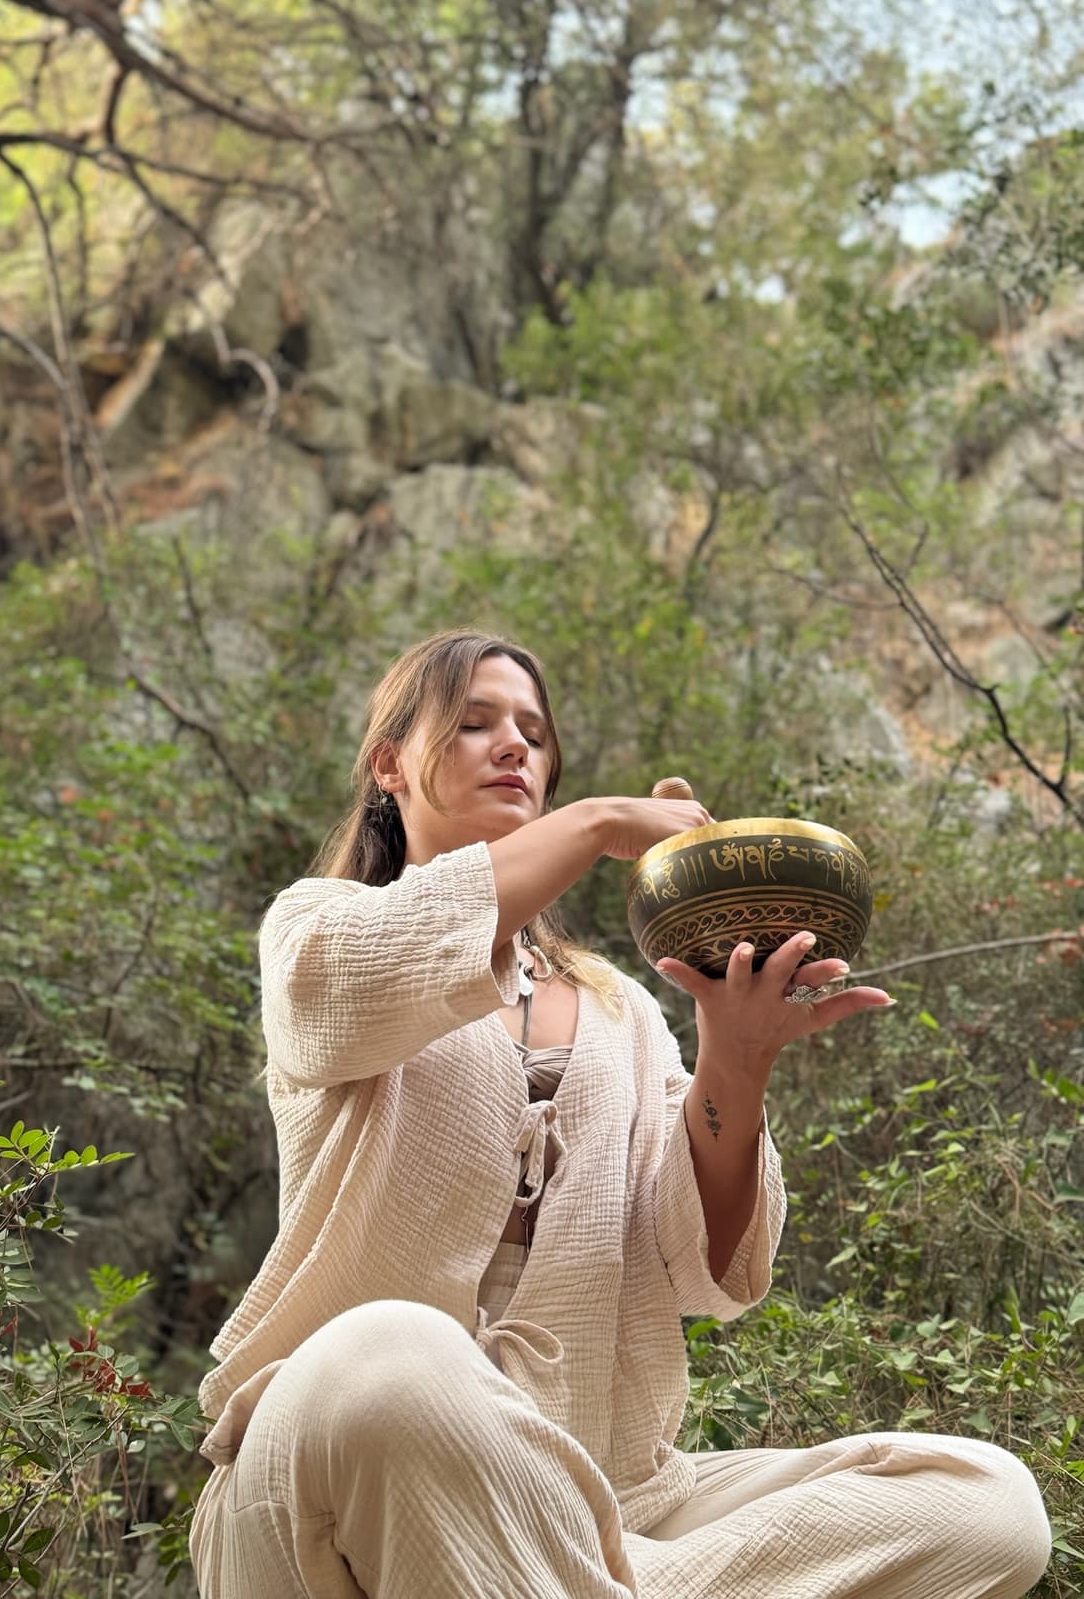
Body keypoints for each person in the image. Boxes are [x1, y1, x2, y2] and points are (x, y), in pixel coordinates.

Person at [188, 629, 1051, 1599]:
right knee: (393, 1351)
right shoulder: (317, 932)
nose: (515, 744)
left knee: (985, 1502)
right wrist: (603, 824)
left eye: (533, 731)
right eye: (474, 723)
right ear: (389, 764)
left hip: (613, 1502)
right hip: (336, 1477)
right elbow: (391, 954)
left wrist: (736, 1053)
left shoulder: (621, 1015)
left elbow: (706, 1264)